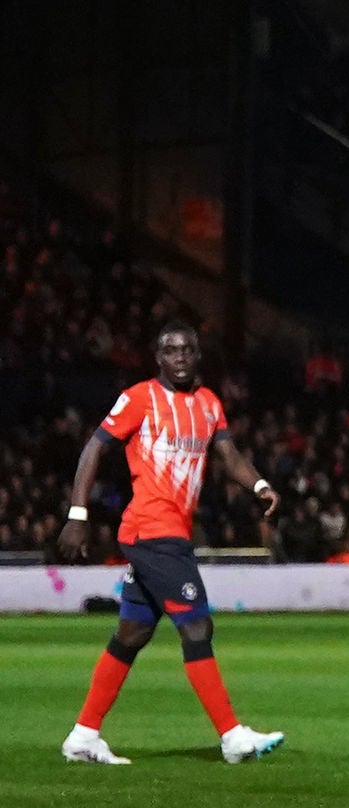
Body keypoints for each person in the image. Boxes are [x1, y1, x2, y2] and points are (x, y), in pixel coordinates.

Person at [54, 322, 287, 765]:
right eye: (170, 350)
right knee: (196, 627)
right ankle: (232, 737)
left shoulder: (208, 403)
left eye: (187, 350)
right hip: (151, 531)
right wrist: (78, 514)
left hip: (168, 531)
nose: (179, 357)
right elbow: (94, 449)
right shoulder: (140, 398)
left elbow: (229, 455)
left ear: (198, 356)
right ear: (157, 358)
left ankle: (83, 736)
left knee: (133, 632)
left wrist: (259, 485)